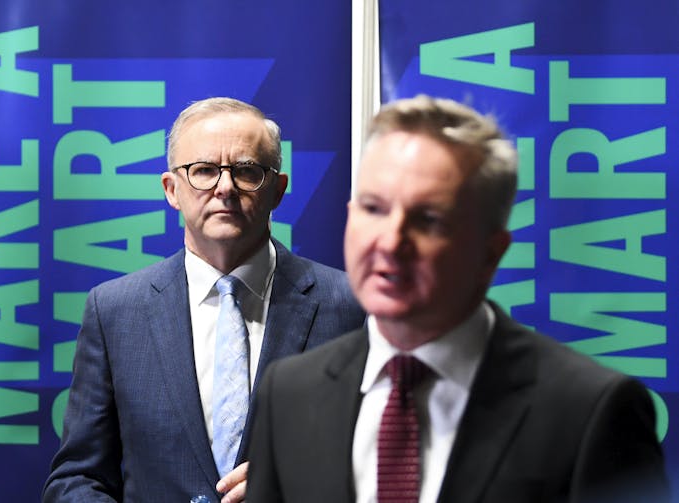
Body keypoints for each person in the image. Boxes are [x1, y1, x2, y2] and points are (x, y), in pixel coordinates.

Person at [246, 94, 669, 503]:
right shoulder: (289, 394)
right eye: (374, 209)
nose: (391, 242)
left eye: (429, 219)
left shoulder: (589, 411)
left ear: (491, 251)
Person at [42, 97, 365, 503]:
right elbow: (75, 480)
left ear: (278, 189)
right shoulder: (114, 312)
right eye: (204, 171)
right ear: (171, 190)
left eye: (247, 171)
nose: (224, 187)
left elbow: (387, 464)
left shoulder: (350, 306)